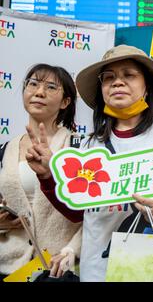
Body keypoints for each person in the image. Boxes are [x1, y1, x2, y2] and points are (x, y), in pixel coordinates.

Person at [25, 45, 153, 281]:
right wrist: (48, 176)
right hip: (97, 273)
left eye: (129, 75)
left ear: (147, 86)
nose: (117, 82)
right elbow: (78, 212)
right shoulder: (90, 147)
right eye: (108, 77)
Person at [0, 64, 82, 280]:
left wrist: (72, 250)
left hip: (55, 268)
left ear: (65, 102)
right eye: (33, 84)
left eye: (51, 87)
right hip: (7, 264)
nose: (39, 92)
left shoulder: (79, 148)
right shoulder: (6, 148)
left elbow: (93, 215)